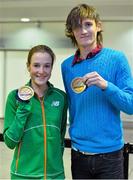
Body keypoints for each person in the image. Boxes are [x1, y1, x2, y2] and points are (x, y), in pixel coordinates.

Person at [61, 3, 133, 179]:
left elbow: (130, 106)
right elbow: (73, 106)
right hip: (78, 154)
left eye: (87, 24)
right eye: (77, 26)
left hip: (110, 156)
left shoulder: (117, 59)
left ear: (98, 26)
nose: (83, 31)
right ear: (72, 31)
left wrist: (106, 86)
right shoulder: (66, 66)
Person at [3, 45, 68, 179]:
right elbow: (10, 142)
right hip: (23, 175)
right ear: (28, 66)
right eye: (36, 65)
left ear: (51, 68)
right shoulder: (14, 97)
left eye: (47, 66)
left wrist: (55, 165)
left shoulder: (60, 97)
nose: (41, 71)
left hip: (55, 175)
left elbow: (60, 136)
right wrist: (22, 110)